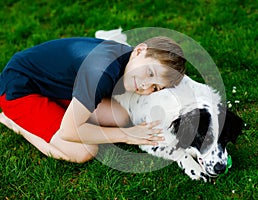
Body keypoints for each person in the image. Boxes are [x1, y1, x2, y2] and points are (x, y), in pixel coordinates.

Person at [0, 36, 186, 163]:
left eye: (155, 87)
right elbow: (69, 132)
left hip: (54, 86)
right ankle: (13, 122)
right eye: (150, 72)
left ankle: (65, 112)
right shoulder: (101, 71)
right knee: (84, 151)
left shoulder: (126, 59)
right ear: (139, 51)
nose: (146, 86)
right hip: (19, 88)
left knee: (118, 117)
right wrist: (127, 136)